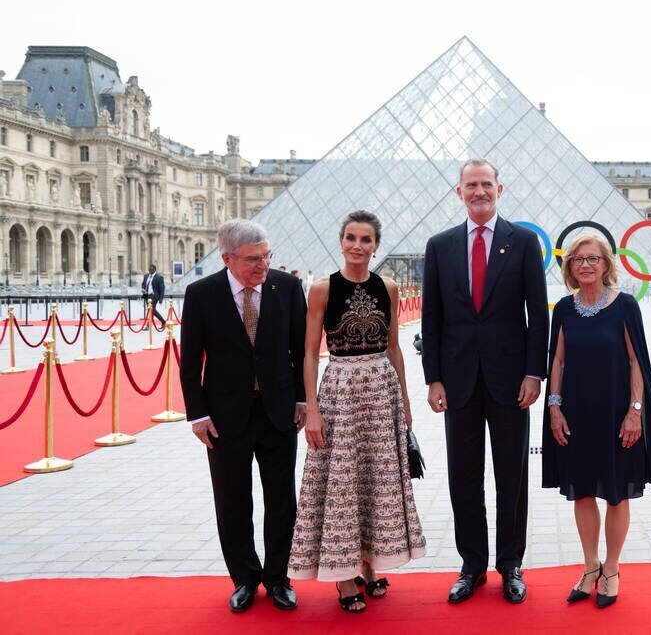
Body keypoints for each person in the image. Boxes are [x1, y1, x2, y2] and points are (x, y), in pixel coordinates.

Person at [422, 159, 548, 604]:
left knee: (511, 474)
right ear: (459, 192)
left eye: (486, 184)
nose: (479, 192)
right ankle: (471, 564)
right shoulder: (439, 246)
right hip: (457, 381)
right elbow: (432, 317)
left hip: (512, 381)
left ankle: (510, 563)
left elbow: (538, 314)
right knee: (463, 475)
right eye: (471, 185)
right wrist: (433, 378)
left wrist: (536, 372)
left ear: (500, 188)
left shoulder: (524, 242)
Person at [288, 210, 425, 614]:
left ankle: (370, 564)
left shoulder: (389, 287)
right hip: (341, 392)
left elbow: (395, 348)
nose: (357, 246)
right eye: (351, 238)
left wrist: (405, 402)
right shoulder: (321, 289)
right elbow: (311, 354)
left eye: (366, 240)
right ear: (341, 241)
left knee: (375, 479)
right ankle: (345, 576)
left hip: (381, 392)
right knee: (343, 482)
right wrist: (312, 409)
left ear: (376, 246)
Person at [179, 219, 307, 613]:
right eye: (253, 259)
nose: (263, 264)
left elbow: (301, 350)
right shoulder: (201, 293)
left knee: (281, 500)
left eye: (267, 255)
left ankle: (278, 577)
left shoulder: (286, 287)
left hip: (278, 412)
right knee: (232, 501)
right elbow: (190, 360)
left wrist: (302, 401)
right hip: (224, 416)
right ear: (227, 258)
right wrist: (197, 415)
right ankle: (245, 579)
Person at [542, 233, 651, 609]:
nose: (585, 264)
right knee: (581, 490)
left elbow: (637, 361)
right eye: (578, 259)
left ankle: (611, 569)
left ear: (606, 264)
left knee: (616, 492)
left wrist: (635, 411)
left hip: (617, 414)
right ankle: (589, 567)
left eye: (593, 259)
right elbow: (558, 361)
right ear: (569, 267)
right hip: (575, 414)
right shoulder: (564, 309)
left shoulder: (626, 305)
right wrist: (554, 407)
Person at [141, 264, 166, 330]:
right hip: (147, 295)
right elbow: (143, 284)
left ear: (155, 269)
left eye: (151, 269)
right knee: (151, 311)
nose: (150, 271)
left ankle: (149, 325)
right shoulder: (146, 276)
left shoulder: (159, 277)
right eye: (149, 269)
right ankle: (163, 322)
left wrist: (161, 298)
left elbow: (162, 288)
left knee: (152, 310)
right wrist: (143, 289)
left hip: (154, 296)